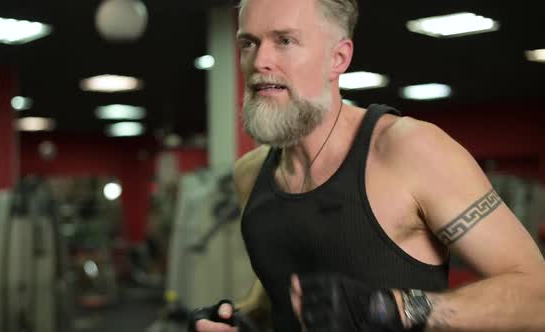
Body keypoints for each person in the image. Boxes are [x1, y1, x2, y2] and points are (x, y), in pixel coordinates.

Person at [190, 0, 545, 330]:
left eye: (284, 40)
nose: (260, 60)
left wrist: (395, 309)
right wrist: (242, 317)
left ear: (338, 58)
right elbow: (280, 292)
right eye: (249, 43)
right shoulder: (250, 175)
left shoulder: (409, 150)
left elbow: (537, 298)